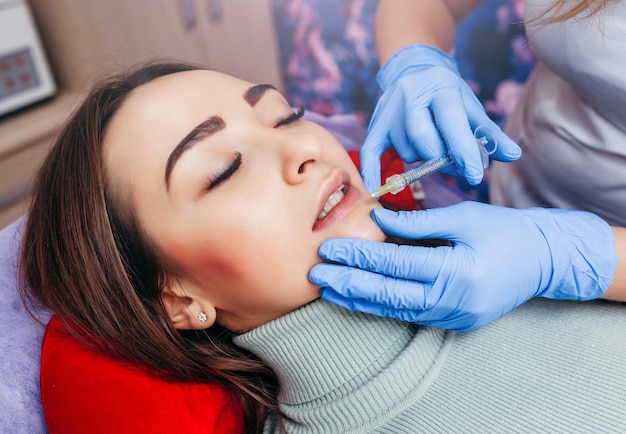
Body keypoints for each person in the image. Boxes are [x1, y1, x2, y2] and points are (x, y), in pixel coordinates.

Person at [20, 61, 626, 433]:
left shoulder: (518, 268)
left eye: (285, 116)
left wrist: (586, 258)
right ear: (176, 298)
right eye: (225, 169)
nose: (305, 148)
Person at [310, 0, 626, 331]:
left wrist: (567, 255)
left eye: (287, 120)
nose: (305, 148)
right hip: (511, 194)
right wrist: (413, 59)